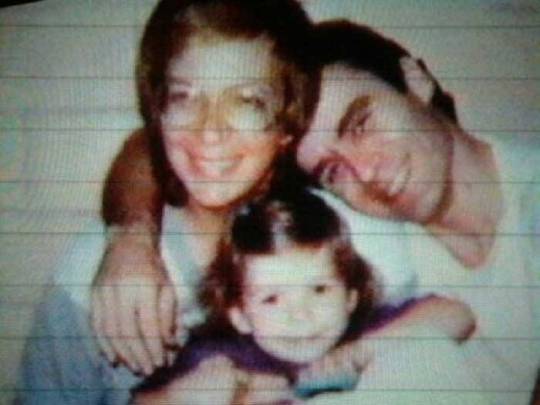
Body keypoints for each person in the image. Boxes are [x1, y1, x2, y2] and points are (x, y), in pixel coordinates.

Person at [95, 17, 540, 403]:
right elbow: (152, 145)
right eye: (331, 170)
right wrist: (131, 242)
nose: (365, 171)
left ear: (415, 81)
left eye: (361, 123)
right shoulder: (358, 230)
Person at [18, 0, 319, 403]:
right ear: (158, 112)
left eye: (248, 101)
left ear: (287, 129)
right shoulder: (94, 275)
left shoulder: (328, 235)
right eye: (185, 97)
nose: (210, 131)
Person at [131, 189, 474, 405]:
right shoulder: (221, 356)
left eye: (320, 289)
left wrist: (362, 351)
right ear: (240, 316)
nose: (301, 315)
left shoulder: (357, 334)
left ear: (351, 297)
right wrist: (181, 397)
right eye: (272, 299)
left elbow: (457, 316)